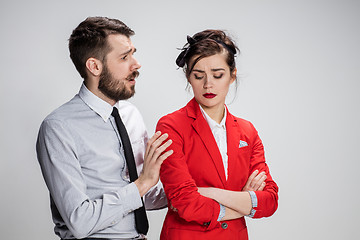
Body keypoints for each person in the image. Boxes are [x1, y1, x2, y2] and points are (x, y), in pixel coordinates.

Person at [36, 16, 173, 240]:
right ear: (94, 66)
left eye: (133, 53)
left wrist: (190, 189)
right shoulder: (58, 128)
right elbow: (79, 220)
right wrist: (144, 183)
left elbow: (141, 196)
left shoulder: (131, 115)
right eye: (124, 57)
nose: (136, 64)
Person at [156, 30, 279, 239]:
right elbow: (185, 203)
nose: (208, 85)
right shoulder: (171, 126)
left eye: (217, 74)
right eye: (198, 76)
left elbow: (269, 201)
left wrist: (208, 192)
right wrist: (243, 202)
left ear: (232, 75)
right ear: (189, 77)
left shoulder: (247, 132)